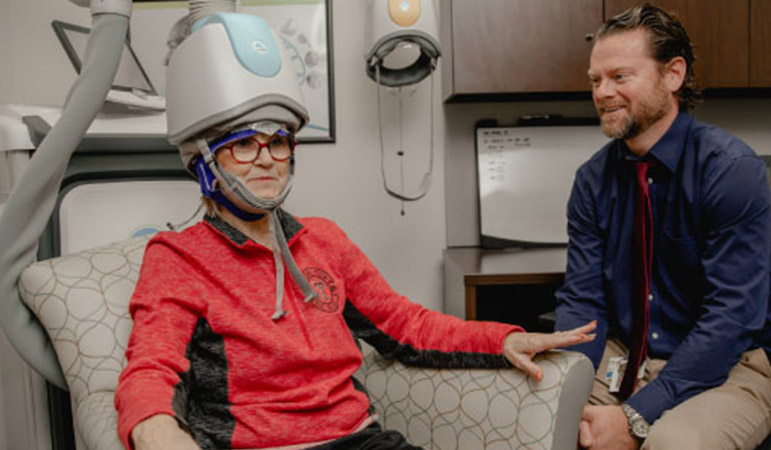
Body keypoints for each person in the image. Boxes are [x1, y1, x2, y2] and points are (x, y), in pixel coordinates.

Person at [114, 17, 596, 450]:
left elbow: (404, 326)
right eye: (242, 144)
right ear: (204, 162)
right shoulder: (178, 257)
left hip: (358, 439)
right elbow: (152, 367)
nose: (265, 157)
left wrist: (501, 340)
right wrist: (155, 428)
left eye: (277, 141)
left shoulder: (323, 239)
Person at [553, 4, 771, 450]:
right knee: (545, 422)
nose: (603, 92)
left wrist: (633, 416)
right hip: (627, 357)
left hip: (733, 364)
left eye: (620, 77)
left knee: (674, 444)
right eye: (595, 80)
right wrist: (566, 390)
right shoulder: (592, 180)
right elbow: (583, 303)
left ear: (673, 75)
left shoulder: (730, 169)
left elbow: (730, 319)